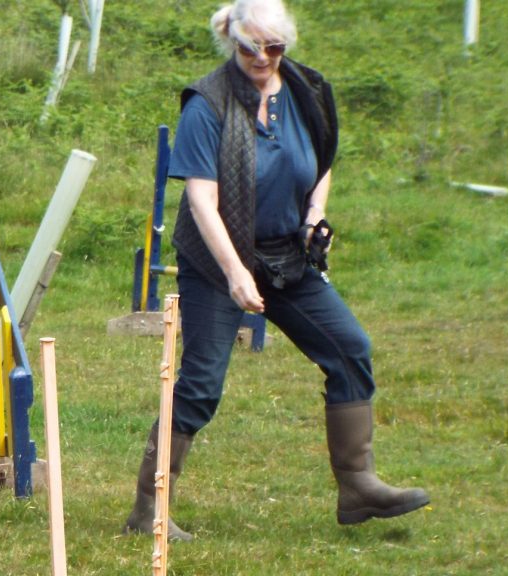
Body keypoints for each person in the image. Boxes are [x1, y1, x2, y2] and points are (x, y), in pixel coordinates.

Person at [123, 0, 429, 540]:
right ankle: (149, 510)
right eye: (250, 46)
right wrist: (236, 273)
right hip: (217, 262)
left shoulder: (307, 90)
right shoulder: (207, 104)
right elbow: (201, 200)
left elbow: (322, 156)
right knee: (199, 384)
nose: (263, 57)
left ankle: (357, 486)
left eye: (275, 47)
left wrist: (314, 213)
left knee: (348, 348)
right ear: (230, 38)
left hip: (288, 256)